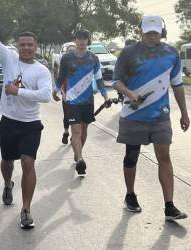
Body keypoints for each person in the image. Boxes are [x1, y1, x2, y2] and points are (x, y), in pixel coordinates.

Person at [113, 16, 189, 221]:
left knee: (164, 157)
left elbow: (177, 84)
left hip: (160, 115)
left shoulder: (171, 53)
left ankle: (169, 206)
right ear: (141, 32)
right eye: (148, 32)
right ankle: (130, 195)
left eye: (155, 32)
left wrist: (184, 112)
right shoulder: (128, 53)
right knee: (132, 156)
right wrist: (129, 93)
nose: (152, 36)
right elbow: (116, 81)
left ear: (161, 32)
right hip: (133, 114)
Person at [0, 28, 52, 229]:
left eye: (30, 45)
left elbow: (45, 95)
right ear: (17, 46)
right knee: (7, 162)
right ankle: (8, 184)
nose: (26, 48)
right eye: (22, 44)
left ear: (36, 47)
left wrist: (19, 91)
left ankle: (26, 209)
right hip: (8, 121)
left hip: (31, 124)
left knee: (27, 163)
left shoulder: (41, 70)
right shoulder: (9, 59)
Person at [56, 29, 109, 176]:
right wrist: (55, 91)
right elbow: (60, 77)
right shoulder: (66, 58)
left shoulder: (93, 58)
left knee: (84, 130)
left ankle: (77, 152)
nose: (81, 41)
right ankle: (80, 159)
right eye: (79, 38)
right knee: (76, 130)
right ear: (74, 40)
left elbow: (99, 80)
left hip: (87, 100)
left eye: (84, 38)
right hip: (71, 100)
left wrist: (105, 96)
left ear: (88, 40)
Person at [53, 44, 76, 144]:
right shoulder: (63, 64)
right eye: (69, 51)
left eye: (73, 51)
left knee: (76, 116)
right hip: (66, 93)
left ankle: (74, 135)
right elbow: (59, 79)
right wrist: (55, 92)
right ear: (65, 53)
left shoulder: (81, 64)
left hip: (78, 95)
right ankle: (66, 132)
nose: (71, 52)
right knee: (67, 115)